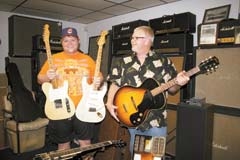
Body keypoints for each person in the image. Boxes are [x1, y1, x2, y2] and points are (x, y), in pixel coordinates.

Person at [106, 26, 190, 158]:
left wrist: (179, 83)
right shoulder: (122, 62)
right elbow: (115, 83)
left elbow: (173, 89)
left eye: (136, 37)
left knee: (152, 157)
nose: (132, 40)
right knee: (138, 157)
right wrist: (109, 102)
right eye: (132, 37)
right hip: (132, 118)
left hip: (156, 120)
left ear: (147, 40)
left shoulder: (164, 62)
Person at [38, 27, 103, 158]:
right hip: (60, 107)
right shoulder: (54, 58)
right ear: (62, 42)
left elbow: (99, 77)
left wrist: (98, 80)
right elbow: (40, 79)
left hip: (83, 107)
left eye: (72, 40)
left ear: (78, 41)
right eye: (66, 40)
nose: (69, 43)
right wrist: (48, 77)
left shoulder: (87, 59)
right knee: (63, 145)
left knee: (86, 142)